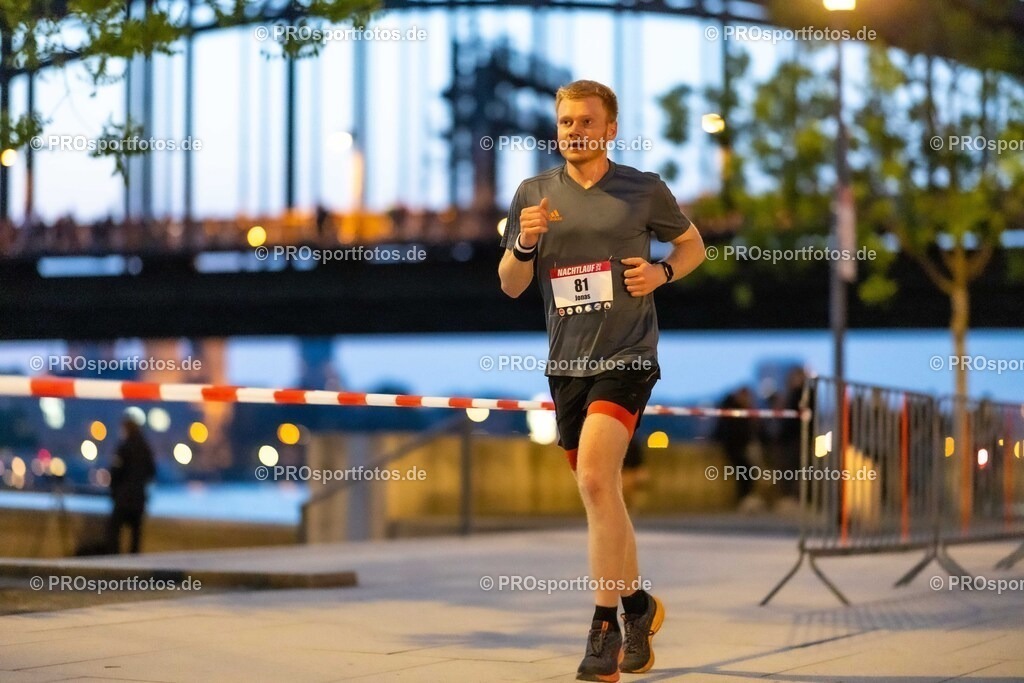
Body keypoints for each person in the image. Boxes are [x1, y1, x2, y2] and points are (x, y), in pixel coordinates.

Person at [498, 79, 705, 682]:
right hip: (567, 367)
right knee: (602, 494)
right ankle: (639, 605)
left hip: (628, 357)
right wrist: (526, 241)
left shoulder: (643, 189)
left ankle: (603, 629)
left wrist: (662, 273)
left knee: (593, 477)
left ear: (610, 129)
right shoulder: (533, 194)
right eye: (566, 122)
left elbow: (694, 247)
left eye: (587, 122)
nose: (575, 131)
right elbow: (510, 284)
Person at [106, 416, 156, 554]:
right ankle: (134, 563)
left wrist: (114, 490)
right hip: (139, 497)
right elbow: (151, 471)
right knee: (136, 533)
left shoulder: (124, 447)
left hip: (123, 497)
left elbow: (116, 471)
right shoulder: (145, 448)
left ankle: (114, 558)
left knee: (114, 529)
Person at [712, 386, 763, 512]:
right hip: (735, 447)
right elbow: (734, 432)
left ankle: (746, 499)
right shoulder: (733, 411)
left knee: (747, 472)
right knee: (745, 472)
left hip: (739, 447)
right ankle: (744, 499)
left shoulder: (736, 409)